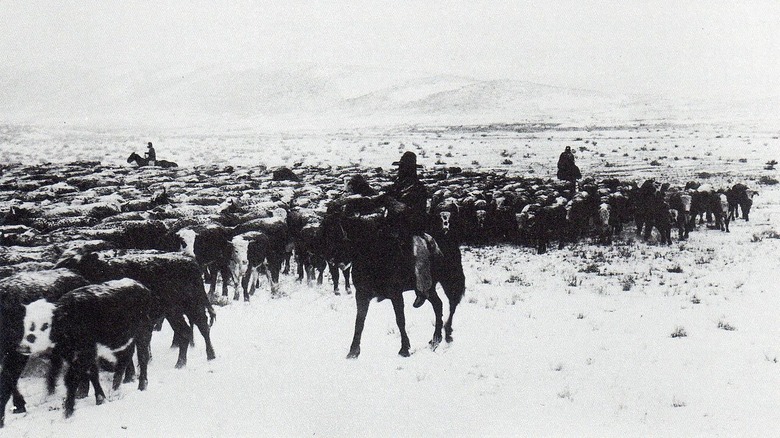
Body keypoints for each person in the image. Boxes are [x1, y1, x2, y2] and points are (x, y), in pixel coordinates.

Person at [382, 151, 433, 308]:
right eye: (400, 167)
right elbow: (386, 199)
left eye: (404, 167)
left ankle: (422, 289)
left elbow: (419, 212)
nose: (401, 170)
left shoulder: (419, 188)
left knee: (420, 254)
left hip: (412, 228)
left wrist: (402, 208)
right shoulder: (396, 186)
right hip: (392, 226)